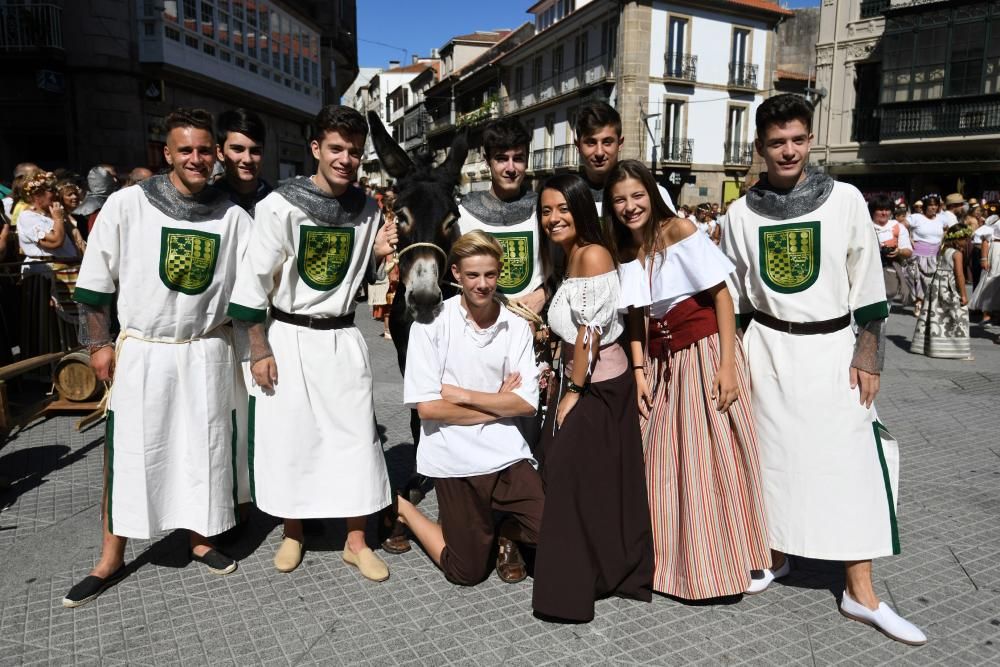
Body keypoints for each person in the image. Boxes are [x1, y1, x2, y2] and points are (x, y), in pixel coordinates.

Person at [720, 94, 926, 645]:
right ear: (760, 148)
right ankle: (775, 555)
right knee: (768, 460)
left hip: (834, 348)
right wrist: (731, 359)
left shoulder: (846, 200)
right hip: (767, 350)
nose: (788, 150)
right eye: (776, 142)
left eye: (797, 139)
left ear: (809, 139)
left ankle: (862, 593)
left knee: (853, 462)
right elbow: (735, 296)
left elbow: (868, 282)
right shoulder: (739, 214)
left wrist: (869, 353)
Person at [62, 108, 252, 608]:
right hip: (145, 349)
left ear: (215, 156)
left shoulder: (232, 216)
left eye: (204, 150)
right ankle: (111, 554)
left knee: (204, 449)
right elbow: (95, 283)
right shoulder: (128, 205)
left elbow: (255, 283)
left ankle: (200, 536)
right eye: (185, 149)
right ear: (166, 153)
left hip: (205, 349)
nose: (196, 158)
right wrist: (99, 345)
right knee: (129, 451)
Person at [227, 105, 397, 579]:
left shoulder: (367, 208)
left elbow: (365, 275)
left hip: (341, 336)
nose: (346, 158)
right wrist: (258, 348)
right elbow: (254, 281)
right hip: (289, 335)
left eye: (355, 152)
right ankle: (294, 532)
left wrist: (381, 256)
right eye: (337, 148)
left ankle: (356, 540)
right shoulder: (280, 205)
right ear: (317, 148)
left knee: (356, 438)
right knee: (292, 439)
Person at [609, 160, 769, 600]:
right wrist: (639, 370)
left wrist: (728, 365)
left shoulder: (679, 230)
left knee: (707, 460)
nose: (630, 206)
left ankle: (721, 563)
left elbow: (722, 295)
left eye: (637, 195)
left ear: (651, 194)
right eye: (620, 199)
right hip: (661, 362)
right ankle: (671, 562)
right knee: (660, 459)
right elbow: (638, 315)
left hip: (703, 353)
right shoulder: (625, 250)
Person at [531, 173, 653, 623]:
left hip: (598, 387)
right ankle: (597, 571)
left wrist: (574, 391)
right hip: (582, 379)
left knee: (566, 472)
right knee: (588, 481)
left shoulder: (594, 253)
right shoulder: (571, 255)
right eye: (546, 210)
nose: (553, 218)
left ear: (581, 209)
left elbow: (591, 330)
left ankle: (569, 590)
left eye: (562, 208)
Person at [392, 230, 544, 585]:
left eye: (490, 275)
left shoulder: (516, 325)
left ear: (499, 273)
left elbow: (525, 404)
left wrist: (461, 395)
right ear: (456, 274)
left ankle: (503, 529)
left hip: (505, 450)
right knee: (467, 572)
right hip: (452, 453)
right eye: (473, 275)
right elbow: (428, 410)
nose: (482, 284)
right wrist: (498, 402)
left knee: (551, 530)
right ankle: (403, 509)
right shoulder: (429, 325)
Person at [457, 117, 546, 315]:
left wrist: (545, 293)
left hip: (534, 326)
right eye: (502, 158)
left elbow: (568, 267)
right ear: (486, 159)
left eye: (518, 158)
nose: (511, 168)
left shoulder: (544, 210)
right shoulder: (463, 214)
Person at [573, 101, 675, 215]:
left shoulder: (653, 193)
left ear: (620, 143)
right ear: (578, 146)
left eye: (607, 142)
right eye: (591, 143)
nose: (599, 152)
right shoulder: (564, 198)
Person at [911, 223, 972, 359]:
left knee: (937, 317)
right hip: (949, 287)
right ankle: (959, 351)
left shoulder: (942, 250)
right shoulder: (957, 254)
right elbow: (959, 275)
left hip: (937, 287)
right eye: (965, 239)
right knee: (958, 317)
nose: (967, 242)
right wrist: (963, 294)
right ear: (957, 239)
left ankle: (931, 347)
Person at [16, 171, 78, 274]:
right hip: (47, 274)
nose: (57, 193)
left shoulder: (52, 214)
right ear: (36, 195)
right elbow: (55, 242)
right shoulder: (27, 217)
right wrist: (58, 219)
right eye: (51, 190)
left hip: (66, 270)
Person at [215, 108, 272, 215]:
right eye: (238, 149)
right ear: (220, 152)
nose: (247, 159)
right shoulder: (206, 203)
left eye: (255, 151)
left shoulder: (277, 203)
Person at [905, 194, 948, 317]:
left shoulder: (941, 219)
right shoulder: (916, 217)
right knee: (917, 280)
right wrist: (909, 238)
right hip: (918, 254)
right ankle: (918, 303)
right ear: (925, 206)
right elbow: (902, 226)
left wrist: (944, 242)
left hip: (935, 255)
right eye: (930, 205)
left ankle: (929, 305)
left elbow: (947, 230)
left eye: (935, 205)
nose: (933, 208)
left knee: (931, 282)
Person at [870, 196, 912, 302]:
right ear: (872, 211)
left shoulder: (898, 227)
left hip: (889, 271)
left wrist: (898, 251)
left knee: (885, 303)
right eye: (880, 210)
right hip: (867, 271)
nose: (884, 213)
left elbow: (908, 252)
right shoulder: (865, 226)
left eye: (887, 210)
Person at [368, 191, 398, 338]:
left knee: (393, 300)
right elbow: (387, 247)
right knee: (389, 300)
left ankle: (390, 329)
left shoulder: (392, 218)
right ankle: (388, 330)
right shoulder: (385, 221)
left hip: (396, 260)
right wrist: (391, 265)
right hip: (389, 262)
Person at [970, 211, 1000, 325]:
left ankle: (997, 315)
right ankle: (986, 314)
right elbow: (985, 240)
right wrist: (984, 258)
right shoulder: (995, 219)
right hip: (997, 251)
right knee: (990, 282)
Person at [75, 164, 119, 235]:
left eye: (116, 177)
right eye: (111, 177)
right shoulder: (93, 209)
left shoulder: (113, 201)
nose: (115, 180)